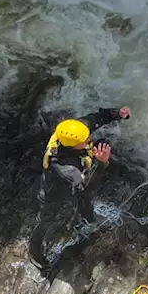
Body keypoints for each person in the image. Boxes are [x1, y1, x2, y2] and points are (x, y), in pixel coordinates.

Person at [27, 106, 130, 269]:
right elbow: (86, 186)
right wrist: (101, 163)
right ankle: (35, 254)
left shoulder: (72, 131)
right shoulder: (65, 168)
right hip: (53, 193)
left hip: (76, 183)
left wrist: (118, 114)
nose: (89, 139)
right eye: (85, 140)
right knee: (46, 219)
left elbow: (96, 118)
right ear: (73, 146)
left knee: (84, 201)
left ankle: (88, 220)